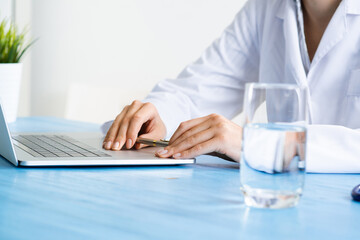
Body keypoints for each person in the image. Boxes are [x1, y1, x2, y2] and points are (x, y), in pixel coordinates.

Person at [103, 0, 360, 173]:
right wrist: (157, 117)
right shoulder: (266, 7)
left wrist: (260, 143)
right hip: (277, 204)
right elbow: (199, 89)